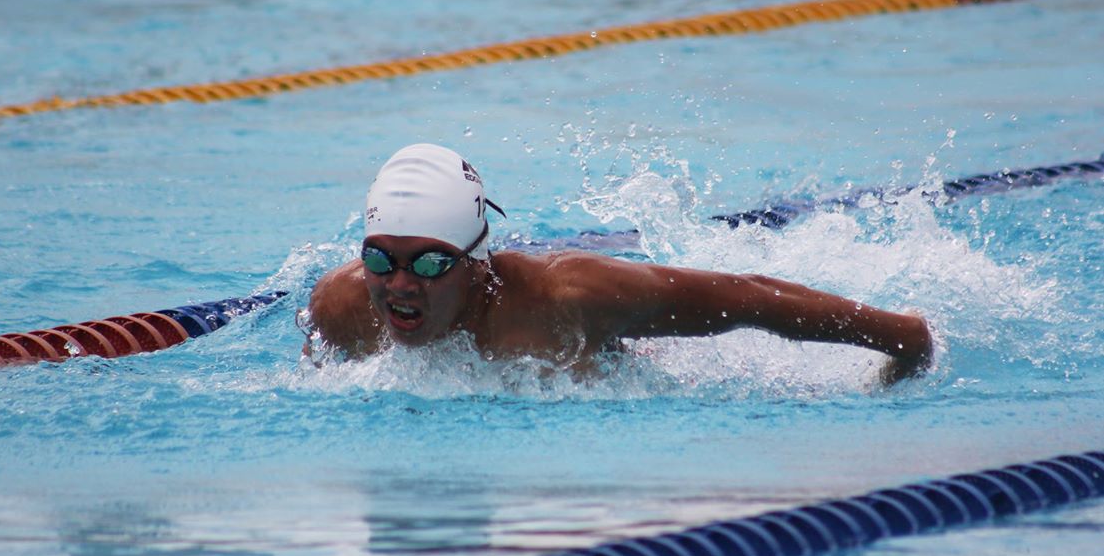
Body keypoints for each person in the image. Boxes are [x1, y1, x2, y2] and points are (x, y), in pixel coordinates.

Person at [307, 143, 933, 383]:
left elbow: (747, 296)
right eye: (380, 258)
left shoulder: (570, 295)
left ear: (476, 261)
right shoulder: (341, 308)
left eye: (430, 265)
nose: (398, 286)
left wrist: (901, 337)